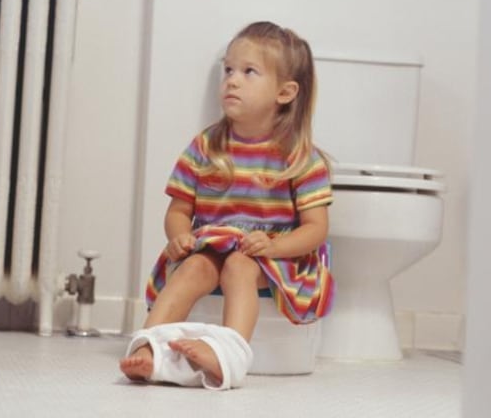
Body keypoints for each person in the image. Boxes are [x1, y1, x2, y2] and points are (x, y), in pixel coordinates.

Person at [119, 21, 334, 389]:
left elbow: (316, 229)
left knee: (239, 265)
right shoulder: (206, 146)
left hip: (273, 258)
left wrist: (274, 245)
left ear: (285, 92)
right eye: (229, 70)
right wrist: (180, 237)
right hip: (213, 244)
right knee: (193, 268)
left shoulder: (300, 157)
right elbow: (179, 209)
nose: (232, 80)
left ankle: (226, 357)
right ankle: (150, 347)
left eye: (249, 72)